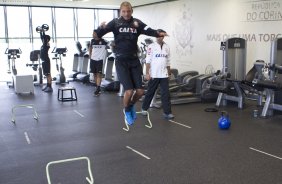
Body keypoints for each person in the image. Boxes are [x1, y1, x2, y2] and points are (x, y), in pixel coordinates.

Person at [94, 1, 168, 125]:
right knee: (128, 91)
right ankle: (127, 111)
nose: (126, 13)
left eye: (128, 11)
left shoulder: (137, 23)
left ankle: (130, 106)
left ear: (131, 11)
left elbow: (148, 30)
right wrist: (100, 28)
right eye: (124, 11)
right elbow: (98, 35)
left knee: (139, 91)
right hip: (121, 61)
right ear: (120, 11)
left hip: (134, 60)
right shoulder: (115, 23)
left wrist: (158, 33)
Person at [141, 30, 174, 119]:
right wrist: (147, 73)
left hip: (164, 74)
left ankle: (167, 112)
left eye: (162, 36)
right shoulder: (151, 46)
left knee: (166, 94)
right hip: (154, 74)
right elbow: (148, 61)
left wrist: (169, 73)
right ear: (156, 36)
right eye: (159, 36)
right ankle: (144, 108)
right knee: (150, 92)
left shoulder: (167, 47)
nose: (160, 37)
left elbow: (168, 61)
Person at [89, 30, 108, 96]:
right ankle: (96, 86)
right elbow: (90, 48)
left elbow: (111, 44)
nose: (93, 34)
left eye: (94, 33)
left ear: (98, 34)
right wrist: (90, 56)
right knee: (94, 74)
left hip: (100, 60)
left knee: (99, 74)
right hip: (93, 59)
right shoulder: (92, 41)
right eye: (93, 33)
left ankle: (98, 88)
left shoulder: (104, 41)